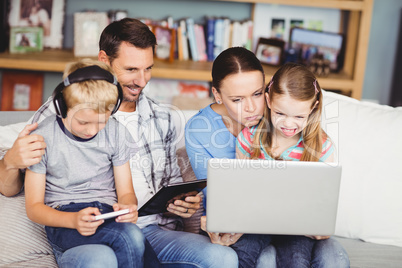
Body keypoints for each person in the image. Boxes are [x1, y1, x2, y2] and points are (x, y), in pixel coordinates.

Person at [1, 18, 238, 267]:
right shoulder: (60, 111)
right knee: (104, 256)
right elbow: (13, 190)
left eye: (148, 68)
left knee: (221, 258)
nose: (142, 81)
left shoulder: (163, 118)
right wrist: (10, 162)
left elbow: (164, 190)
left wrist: (181, 204)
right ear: (104, 60)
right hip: (84, 231)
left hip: (150, 230)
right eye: (131, 70)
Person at [25, 59, 146, 267]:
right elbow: (33, 208)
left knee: (133, 239)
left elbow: (126, 191)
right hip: (64, 220)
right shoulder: (42, 138)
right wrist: (73, 221)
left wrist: (128, 206)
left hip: (108, 215)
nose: (92, 131)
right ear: (62, 106)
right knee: (132, 237)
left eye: (102, 122)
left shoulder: (116, 132)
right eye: (83, 122)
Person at [236, 62, 350, 267]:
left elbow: (323, 202)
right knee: (241, 255)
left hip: (298, 229)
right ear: (269, 101)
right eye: (280, 113)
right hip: (256, 224)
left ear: (313, 107)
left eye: (299, 116)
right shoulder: (249, 138)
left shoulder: (322, 147)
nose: (288, 124)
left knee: (297, 261)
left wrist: (319, 226)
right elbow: (239, 191)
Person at [185, 46, 274, 268]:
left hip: (280, 220)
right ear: (217, 94)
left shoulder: (281, 114)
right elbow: (215, 196)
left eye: (257, 93)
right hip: (236, 226)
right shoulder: (199, 130)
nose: (252, 108)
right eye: (237, 100)